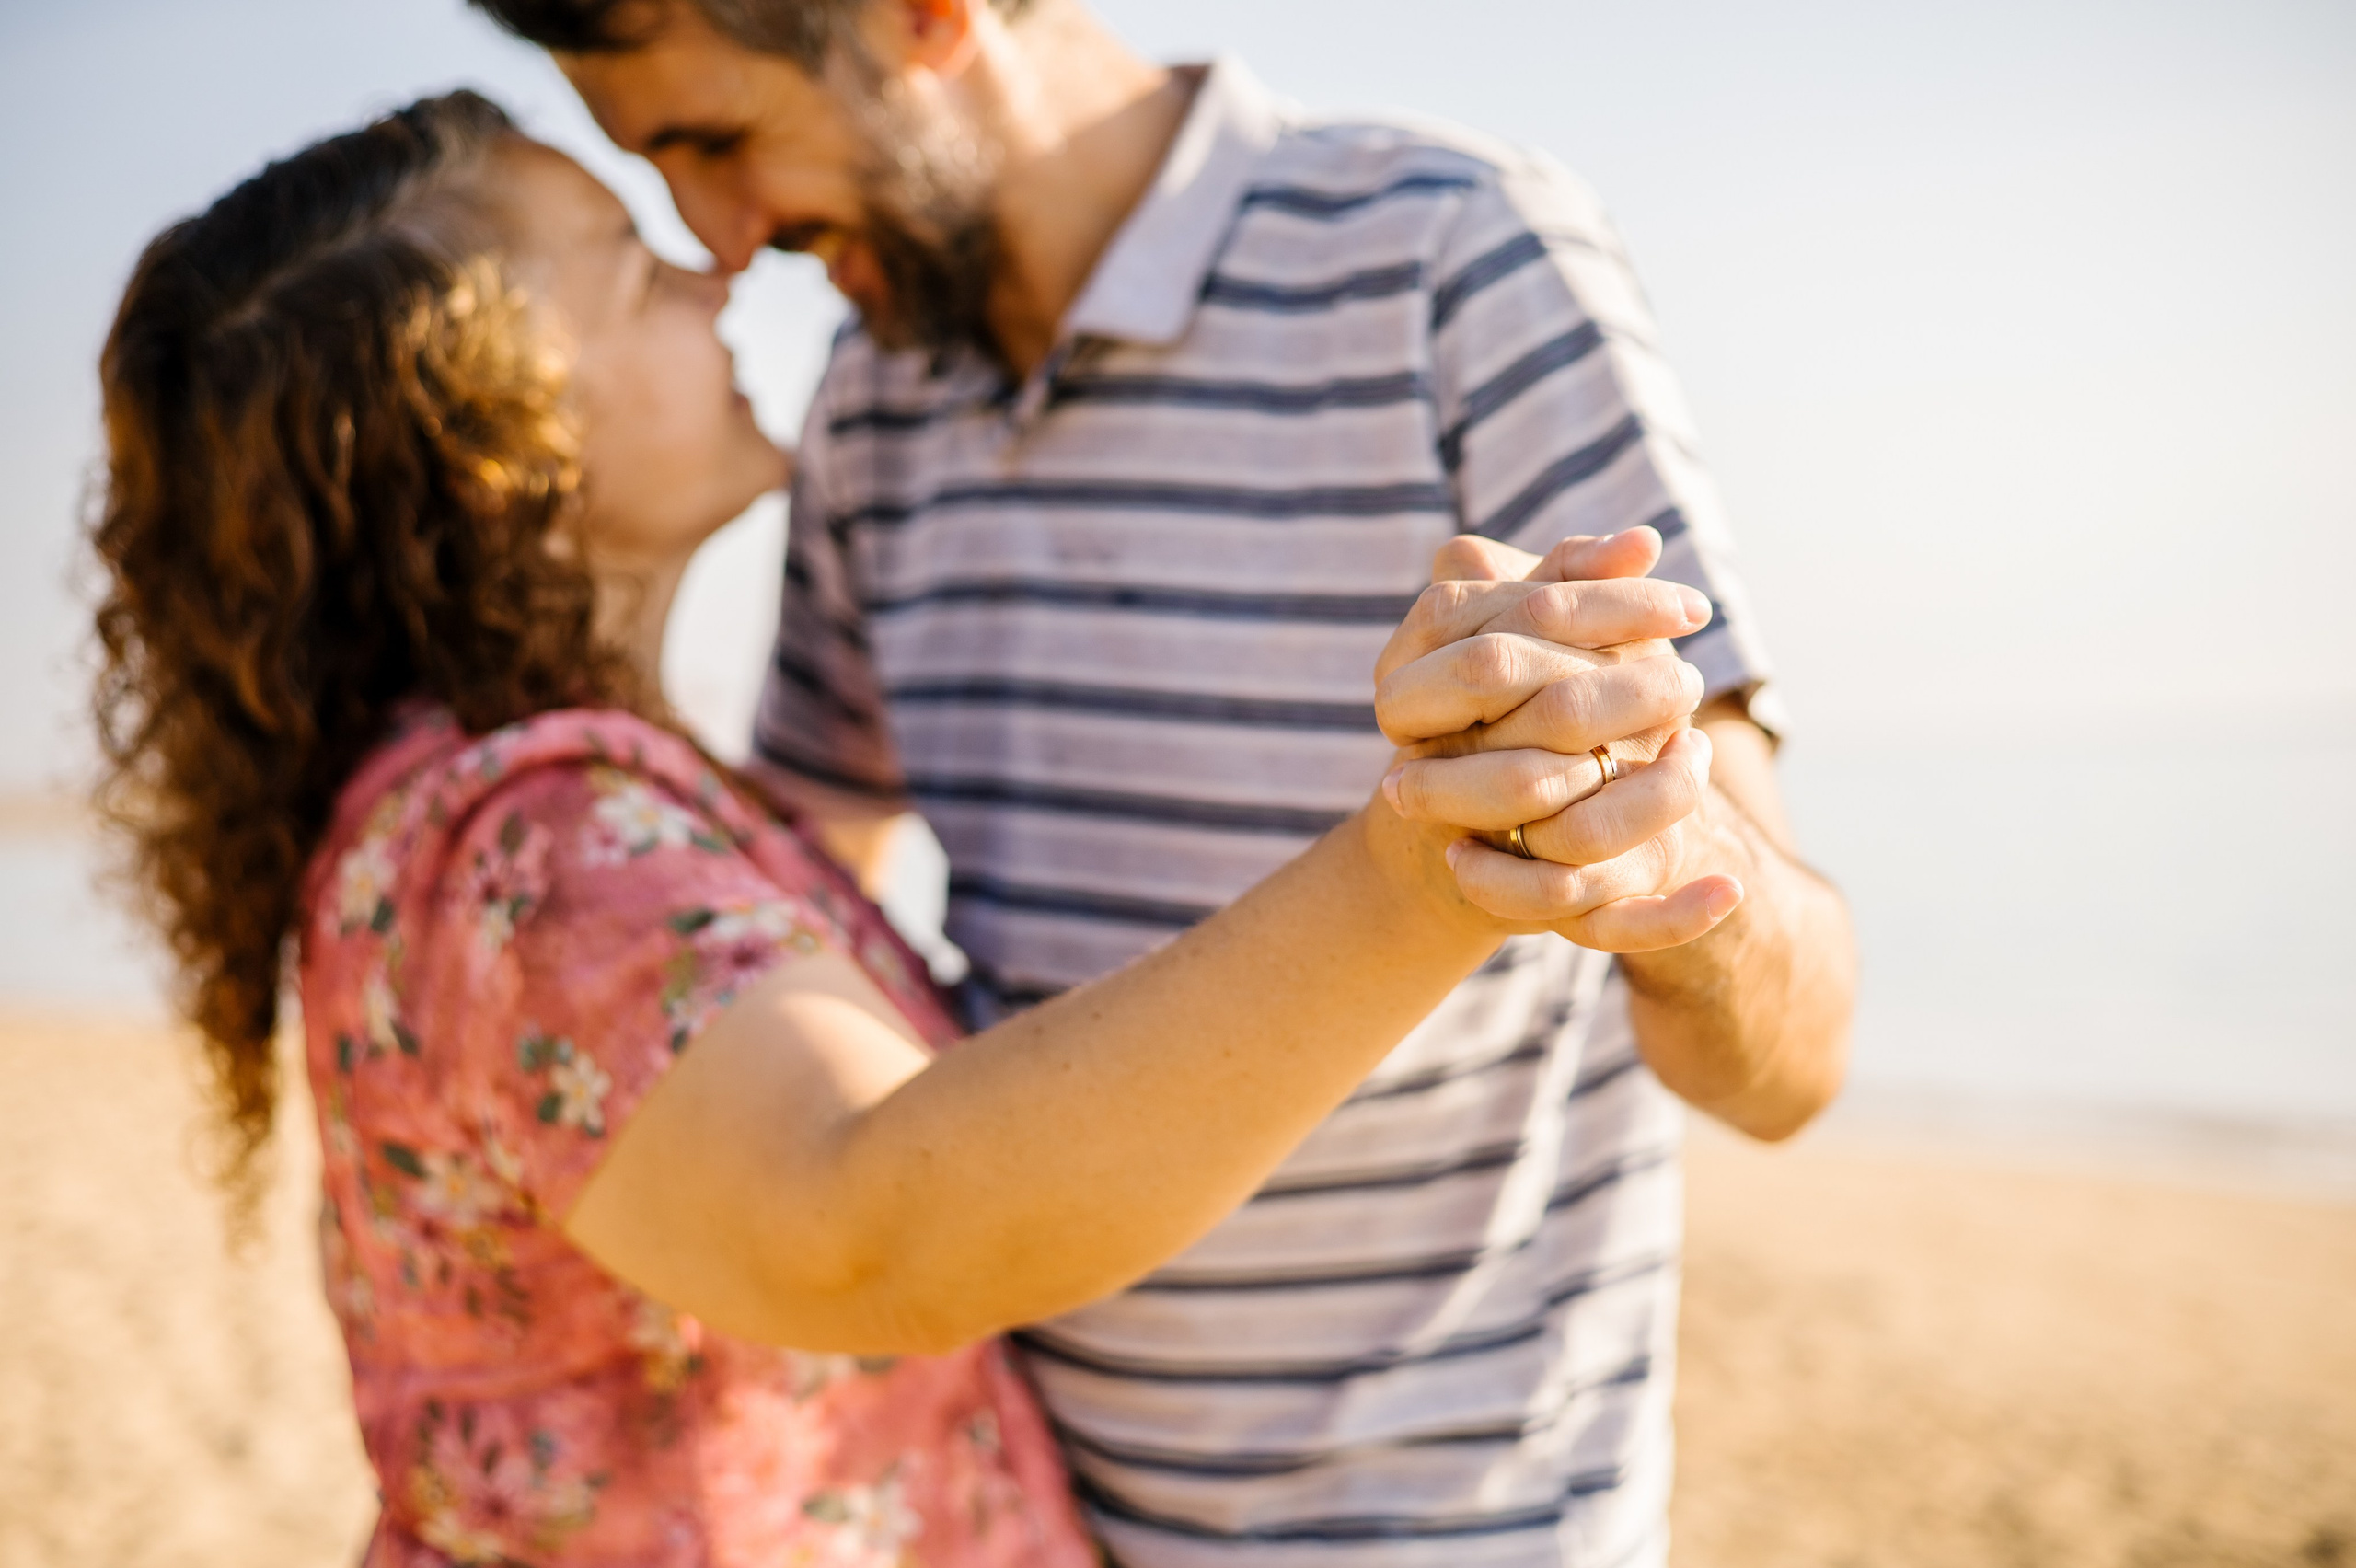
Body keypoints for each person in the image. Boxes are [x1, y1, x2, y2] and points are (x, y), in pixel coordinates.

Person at [89, 91, 1731, 1568]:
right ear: (497, 428)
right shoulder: (534, 846)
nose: (714, 270)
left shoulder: (524, 801)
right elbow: (870, 1219)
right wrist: (1428, 863)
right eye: (624, 264)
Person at [461, 2, 1862, 1563]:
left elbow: (1792, 1065)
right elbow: (807, 911)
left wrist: (1649, 863)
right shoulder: (873, 397)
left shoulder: (1454, 256)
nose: (716, 242)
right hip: (1023, 1516)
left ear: (925, 18)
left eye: (718, 142)